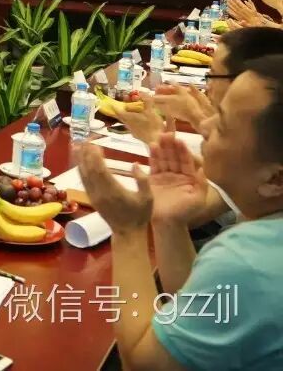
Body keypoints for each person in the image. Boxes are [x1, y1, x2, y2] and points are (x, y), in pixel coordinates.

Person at [77, 56, 283, 370]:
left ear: (275, 179)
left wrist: (128, 232)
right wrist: (168, 221)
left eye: (222, 125)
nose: (205, 127)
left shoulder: (251, 262)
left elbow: (143, 364)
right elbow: (198, 308)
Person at [115, 27, 283, 229]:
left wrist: (157, 140)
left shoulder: (256, 146)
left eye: (213, 75)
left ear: (245, 81)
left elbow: (188, 215)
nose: (207, 85)